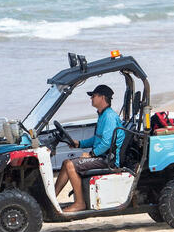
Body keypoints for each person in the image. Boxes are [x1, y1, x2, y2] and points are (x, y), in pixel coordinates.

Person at [53, 84, 124, 213]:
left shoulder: (109, 117)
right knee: (66, 163)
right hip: (102, 155)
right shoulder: (103, 115)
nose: (91, 98)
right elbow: (97, 139)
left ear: (102, 97)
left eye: (93, 96)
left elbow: (106, 143)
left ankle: (80, 203)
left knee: (70, 165)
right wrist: (79, 144)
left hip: (107, 159)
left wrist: (91, 154)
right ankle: (51, 199)